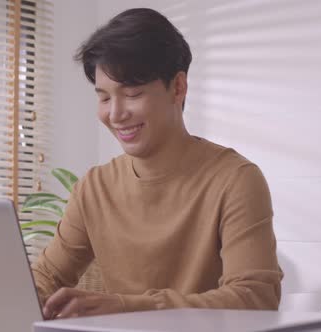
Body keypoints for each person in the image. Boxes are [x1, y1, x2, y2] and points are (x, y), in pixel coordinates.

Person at [31, 7, 283, 320]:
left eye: (132, 94)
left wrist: (131, 307)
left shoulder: (235, 179)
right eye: (105, 98)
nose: (116, 114)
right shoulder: (94, 188)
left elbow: (255, 297)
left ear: (178, 88)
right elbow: (46, 278)